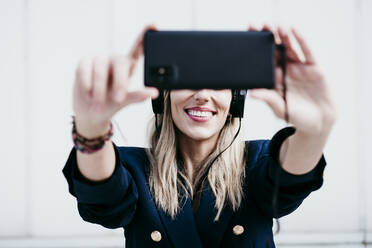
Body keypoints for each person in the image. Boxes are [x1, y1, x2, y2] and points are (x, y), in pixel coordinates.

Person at [63, 24, 337, 247]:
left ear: (235, 101)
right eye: (189, 81)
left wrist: (314, 131)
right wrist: (91, 129)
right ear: (164, 97)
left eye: (219, 84)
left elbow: (290, 177)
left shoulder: (257, 163)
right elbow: (103, 196)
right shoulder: (133, 168)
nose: (202, 95)